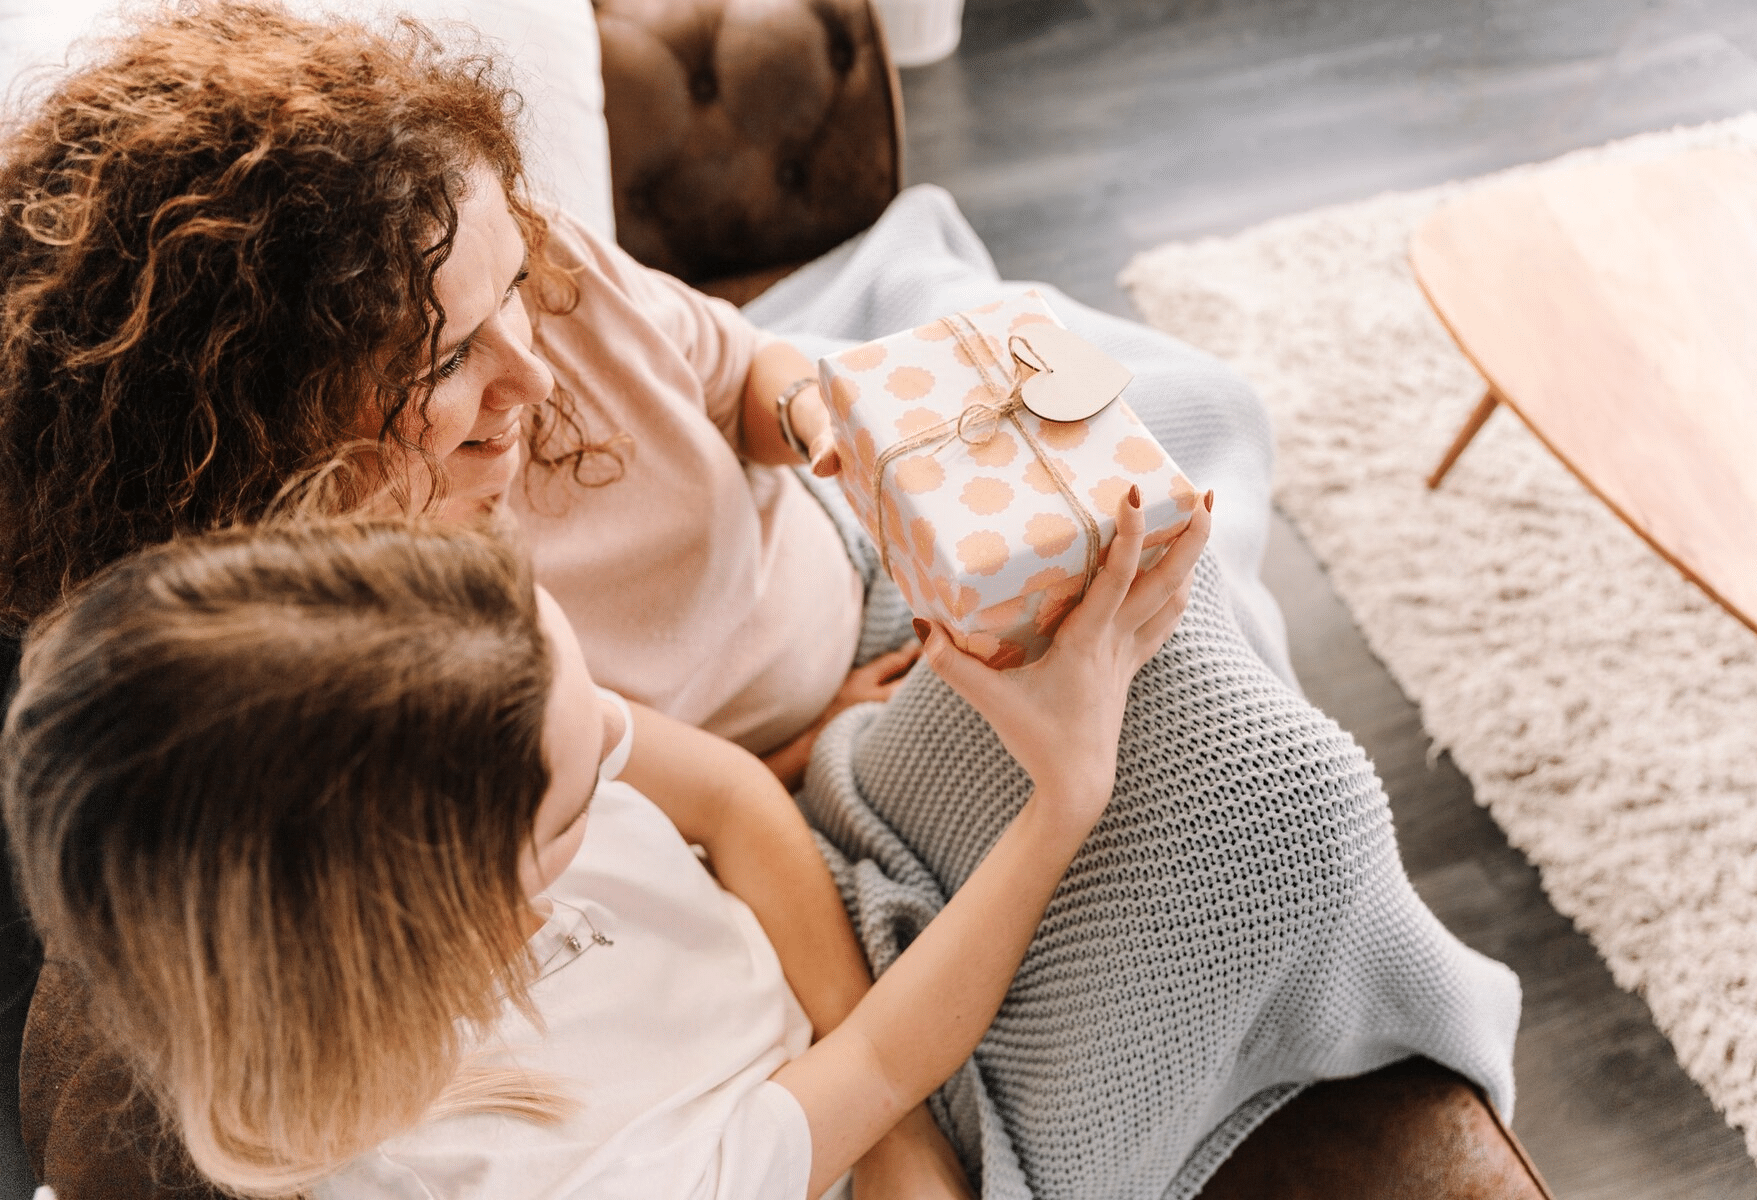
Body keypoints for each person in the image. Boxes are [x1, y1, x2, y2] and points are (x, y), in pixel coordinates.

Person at [0, 3, 1520, 1196]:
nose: (528, 374)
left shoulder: (520, 308)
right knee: (1272, 790)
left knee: (1142, 445)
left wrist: (856, 449)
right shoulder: (392, 692)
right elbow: (675, 808)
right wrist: (893, 776)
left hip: (848, 637)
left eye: (508, 288)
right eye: (442, 367)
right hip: (831, 780)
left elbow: (733, 415)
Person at [2, 499, 1201, 1198]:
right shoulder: (554, 1176)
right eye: (586, 795)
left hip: (845, 1014)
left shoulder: (483, 713)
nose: (621, 761)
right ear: (454, 912)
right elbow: (890, 1068)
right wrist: (1065, 796)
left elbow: (729, 796)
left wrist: (861, 1078)